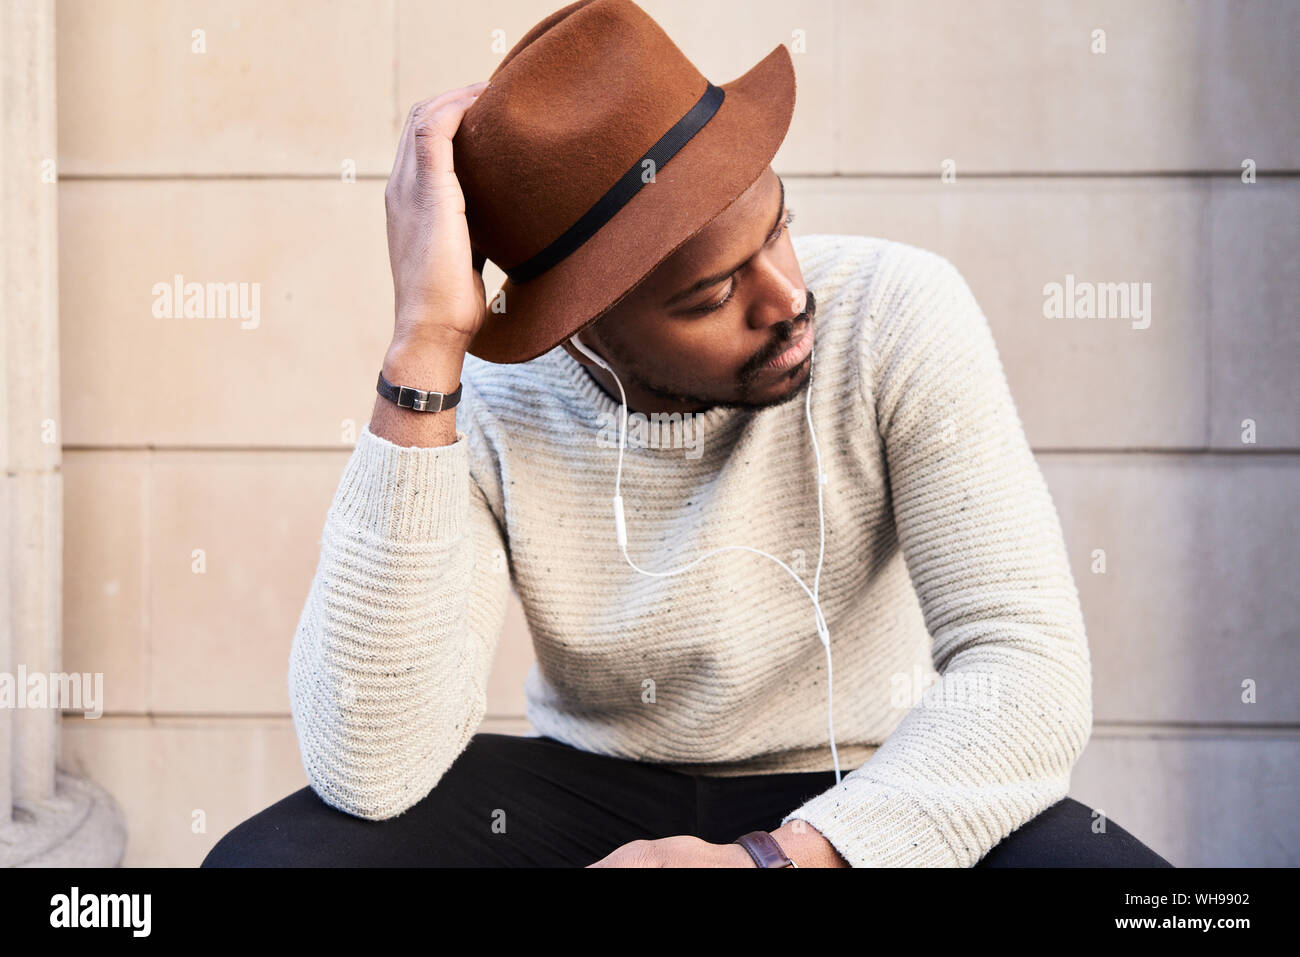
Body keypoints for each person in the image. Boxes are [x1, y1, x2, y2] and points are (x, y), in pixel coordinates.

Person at [203, 0, 1170, 868]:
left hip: (858, 786)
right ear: (581, 326)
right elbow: (369, 763)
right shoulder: (489, 399)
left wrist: (783, 860)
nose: (790, 299)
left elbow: (1024, 667)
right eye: (714, 293)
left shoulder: (897, 314)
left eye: (778, 229)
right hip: (591, 787)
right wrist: (422, 351)